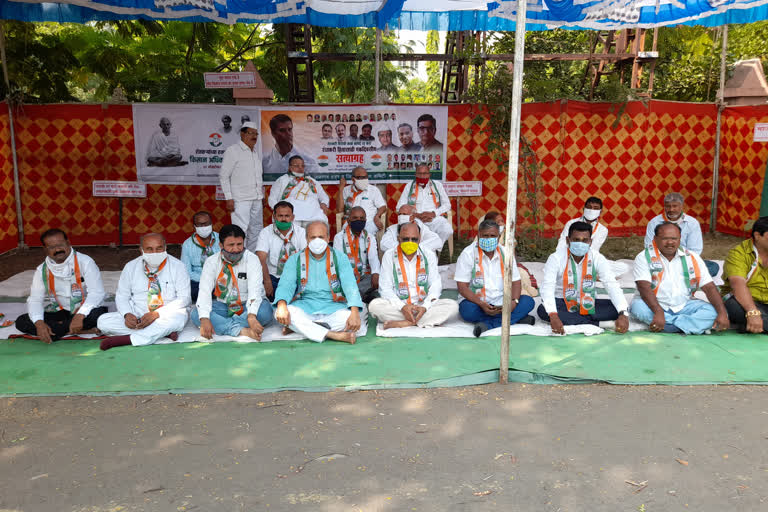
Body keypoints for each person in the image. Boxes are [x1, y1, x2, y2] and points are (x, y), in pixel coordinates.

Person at [631, 222, 729, 334]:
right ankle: (687, 326)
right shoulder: (643, 257)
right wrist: (658, 312)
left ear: (680, 239)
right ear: (655, 239)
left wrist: (722, 313)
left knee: (715, 312)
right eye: (665, 238)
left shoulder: (692, 257)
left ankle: (668, 326)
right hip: (654, 304)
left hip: (684, 304)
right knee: (637, 307)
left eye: (674, 238)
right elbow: (644, 288)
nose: (670, 242)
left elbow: (709, 287)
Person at [273, 221, 363, 344]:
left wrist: (354, 312)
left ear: (328, 237)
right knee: (281, 312)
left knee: (352, 317)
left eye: (321, 237)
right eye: (313, 237)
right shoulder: (295, 259)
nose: (317, 241)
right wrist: (282, 305)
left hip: (333, 307)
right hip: (304, 307)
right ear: (306, 239)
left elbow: (350, 285)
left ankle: (301, 328)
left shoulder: (340, 257)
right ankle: (333, 335)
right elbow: (286, 285)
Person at [98, 233, 191, 350]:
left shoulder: (178, 266)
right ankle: (162, 333)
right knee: (103, 321)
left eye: (159, 248)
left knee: (177, 320)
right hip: (139, 313)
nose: (155, 253)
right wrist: (127, 314)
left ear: (165, 248)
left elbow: (184, 298)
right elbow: (122, 296)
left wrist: (156, 314)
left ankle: (128, 339)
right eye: (149, 249)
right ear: (141, 250)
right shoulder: (130, 267)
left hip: (167, 313)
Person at [15, 229, 107, 343]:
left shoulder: (85, 262)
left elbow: (97, 293)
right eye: (51, 247)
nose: (58, 250)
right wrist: (39, 324)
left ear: (68, 243)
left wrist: (80, 315)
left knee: (98, 316)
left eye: (60, 245)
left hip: (85, 310)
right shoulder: (42, 270)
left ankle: (57, 331)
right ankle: (76, 330)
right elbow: (35, 299)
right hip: (59, 311)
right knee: (21, 321)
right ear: (45, 249)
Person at [537, 221, 630, 334]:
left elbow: (611, 284)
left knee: (620, 308)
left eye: (585, 240)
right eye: (576, 240)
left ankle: (575, 319)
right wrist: (553, 315)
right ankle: (600, 324)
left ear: (590, 242)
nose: (580, 243)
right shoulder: (556, 258)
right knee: (543, 310)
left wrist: (623, 313)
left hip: (588, 302)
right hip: (563, 302)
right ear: (568, 240)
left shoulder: (597, 258)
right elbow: (548, 286)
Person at [369, 222, 458, 329]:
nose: (410, 242)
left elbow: (435, 285)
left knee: (453, 306)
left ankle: (406, 323)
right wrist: (402, 307)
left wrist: (425, 307)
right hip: (399, 306)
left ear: (419, 239)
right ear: (398, 239)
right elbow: (385, 288)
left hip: (423, 306)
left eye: (414, 239)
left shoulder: (428, 255)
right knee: (374, 306)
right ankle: (421, 321)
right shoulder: (389, 255)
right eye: (406, 239)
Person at [192, 224, 273, 340]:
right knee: (196, 314)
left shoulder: (252, 259)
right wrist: (204, 319)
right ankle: (240, 330)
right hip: (223, 306)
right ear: (221, 245)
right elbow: (204, 291)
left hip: (246, 306)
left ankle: (223, 325)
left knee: (265, 311)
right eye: (231, 245)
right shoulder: (211, 262)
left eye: (239, 244)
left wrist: (251, 316)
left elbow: (255, 290)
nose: (235, 249)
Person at [455, 220, 536, 336]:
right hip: (478, 303)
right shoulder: (467, 254)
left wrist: (513, 302)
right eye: (485, 235)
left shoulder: (506, 253)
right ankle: (513, 319)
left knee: (528, 302)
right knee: (466, 310)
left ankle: (487, 325)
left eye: (492, 236)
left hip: (503, 302)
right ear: (478, 236)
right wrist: (481, 304)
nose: (489, 239)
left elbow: (516, 282)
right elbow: (462, 287)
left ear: (498, 238)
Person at [644, 193, 719, 277]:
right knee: (644, 265)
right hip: (661, 260)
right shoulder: (654, 222)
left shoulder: (692, 223)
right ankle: (680, 276)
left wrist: (679, 262)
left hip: (684, 261)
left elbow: (695, 250)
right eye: (668, 206)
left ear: (681, 206)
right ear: (664, 206)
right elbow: (649, 246)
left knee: (713, 267)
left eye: (675, 206)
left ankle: (669, 275)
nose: (671, 209)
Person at [555, 196, 628, 275]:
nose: (592, 210)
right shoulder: (571, 223)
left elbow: (594, 249)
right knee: (555, 264)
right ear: (584, 209)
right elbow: (562, 242)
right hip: (568, 256)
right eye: (589, 207)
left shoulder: (602, 229)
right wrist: (561, 258)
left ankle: (584, 272)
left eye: (595, 208)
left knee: (623, 268)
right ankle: (589, 274)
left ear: (600, 212)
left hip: (589, 259)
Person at [219, 121, 265, 243]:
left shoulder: (255, 152)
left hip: (256, 198)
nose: (254, 136)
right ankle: (239, 256)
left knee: (256, 229)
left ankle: (252, 256)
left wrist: (261, 195)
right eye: (251, 133)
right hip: (240, 199)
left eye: (256, 134)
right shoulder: (233, 151)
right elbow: (223, 176)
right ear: (242, 134)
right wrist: (229, 198)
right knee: (240, 230)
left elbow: (258, 177)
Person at [721, 216, 768, 333]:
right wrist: (752, 312)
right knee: (733, 306)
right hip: (745, 301)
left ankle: (753, 325)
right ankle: (757, 322)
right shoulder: (738, 253)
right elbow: (738, 285)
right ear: (757, 236)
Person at [255, 201, 307, 301]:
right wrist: (267, 282)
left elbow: (307, 257)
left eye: (287, 216)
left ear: (293, 217)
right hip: (273, 277)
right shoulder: (265, 232)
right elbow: (261, 259)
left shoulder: (301, 232)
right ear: (274, 216)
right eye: (280, 216)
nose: (283, 219)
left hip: (295, 277)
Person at [395, 163, 453, 249]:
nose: (422, 176)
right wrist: (417, 215)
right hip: (415, 219)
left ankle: (431, 249)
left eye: (425, 173)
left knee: (447, 230)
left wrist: (433, 213)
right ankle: (423, 250)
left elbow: (447, 205)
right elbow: (399, 207)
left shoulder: (437, 185)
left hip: (434, 218)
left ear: (429, 174)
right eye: (419, 173)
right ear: (415, 174)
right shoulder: (409, 186)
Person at [267, 155, 332, 228]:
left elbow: (324, 196)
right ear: (290, 167)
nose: (300, 168)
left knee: (319, 229)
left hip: (313, 215)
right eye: (297, 166)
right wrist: (279, 210)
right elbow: (272, 199)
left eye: (302, 166)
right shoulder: (282, 180)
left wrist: (324, 203)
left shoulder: (311, 181)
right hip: (292, 216)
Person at [333, 206, 380, 302]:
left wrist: (375, 273)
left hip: (364, 277)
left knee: (378, 279)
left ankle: (353, 295)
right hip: (346, 277)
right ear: (349, 221)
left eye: (362, 218)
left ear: (366, 221)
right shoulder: (339, 238)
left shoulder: (369, 237)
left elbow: (373, 258)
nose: (359, 220)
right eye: (355, 218)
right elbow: (339, 262)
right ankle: (362, 295)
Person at [180, 211, 220, 302]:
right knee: (189, 291)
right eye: (200, 225)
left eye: (206, 224)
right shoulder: (187, 244)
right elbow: (186, 271)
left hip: (220, 279)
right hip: (198, 281)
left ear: (211, 224)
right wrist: (206, 279)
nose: (203, 227)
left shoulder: (221, 239)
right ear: (194, 227)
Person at [336, 166, 386, 235]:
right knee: (344, 236)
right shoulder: (346, 190)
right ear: (353, 179)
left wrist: (377, 216)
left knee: (365, 236)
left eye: (365, 177)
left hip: (369, 222)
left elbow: (382, 206)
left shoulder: (373, 190)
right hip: (351, 222)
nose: (364, 180)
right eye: (360, 178)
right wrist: (341, 188)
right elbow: (339, 210)